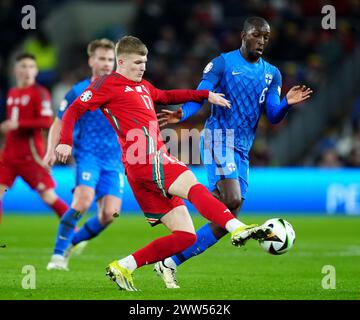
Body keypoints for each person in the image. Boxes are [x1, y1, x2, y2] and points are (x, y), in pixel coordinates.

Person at [55, 35, 272, 291]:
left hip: (142, 170)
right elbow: (73, 110)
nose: (142, 67)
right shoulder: (107, 84)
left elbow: (167, 95)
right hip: (145, 159)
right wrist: (65, 141)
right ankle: (236, 227)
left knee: (185, 237)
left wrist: (205, 95)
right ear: (121, 62)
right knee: (191, 182)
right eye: (137, 62)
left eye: (144, 62)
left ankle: (125, 265)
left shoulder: (144, 86)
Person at [156, 16, 313, 288]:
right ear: (243, 35)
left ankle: (170, 262)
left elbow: (273, 115)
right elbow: (201, 94)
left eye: (266, 37)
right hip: (218, 137)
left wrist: (286, 103)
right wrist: (183, 114)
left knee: (230, 213)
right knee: (232, 198)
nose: (261, 40)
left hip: (242, 148)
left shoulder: (272, 73)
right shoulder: (222, 63)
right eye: (256, 35)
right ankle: (182, 194)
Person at [46, 39, 124, 271]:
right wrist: (52, 148)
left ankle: (72, 242)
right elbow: (58, 122)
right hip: (87, 155)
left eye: (111, 59)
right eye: (102, 58)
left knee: (109, 214)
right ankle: (58, 256)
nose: (106, 64)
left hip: (114, 160)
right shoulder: (78, 91)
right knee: (82, 201)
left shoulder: (123, 90)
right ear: (91, 60)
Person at [0, 53, 68, 223]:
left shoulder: (40, 92)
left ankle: (74, 231)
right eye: (23, 66)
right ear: (16, 70)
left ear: (36, 71)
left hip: (30, 155)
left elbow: (46, 121)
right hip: (9, 155)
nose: (27, 70)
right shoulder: (13, 92)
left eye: (31, 67)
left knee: (48, 196)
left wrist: (18, 124)